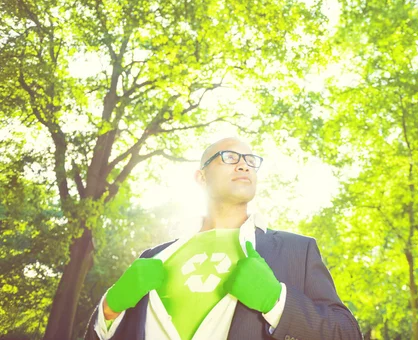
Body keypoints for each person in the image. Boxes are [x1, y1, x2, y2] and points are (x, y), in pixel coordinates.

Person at [84, 136, 362, 340]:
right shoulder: (153, 257)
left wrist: (278, 302)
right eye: (230, 157)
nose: (244, 166)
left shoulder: (297, 251)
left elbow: (347, 334)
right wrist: (109, 309)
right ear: (201, 176)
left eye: (251, 161)